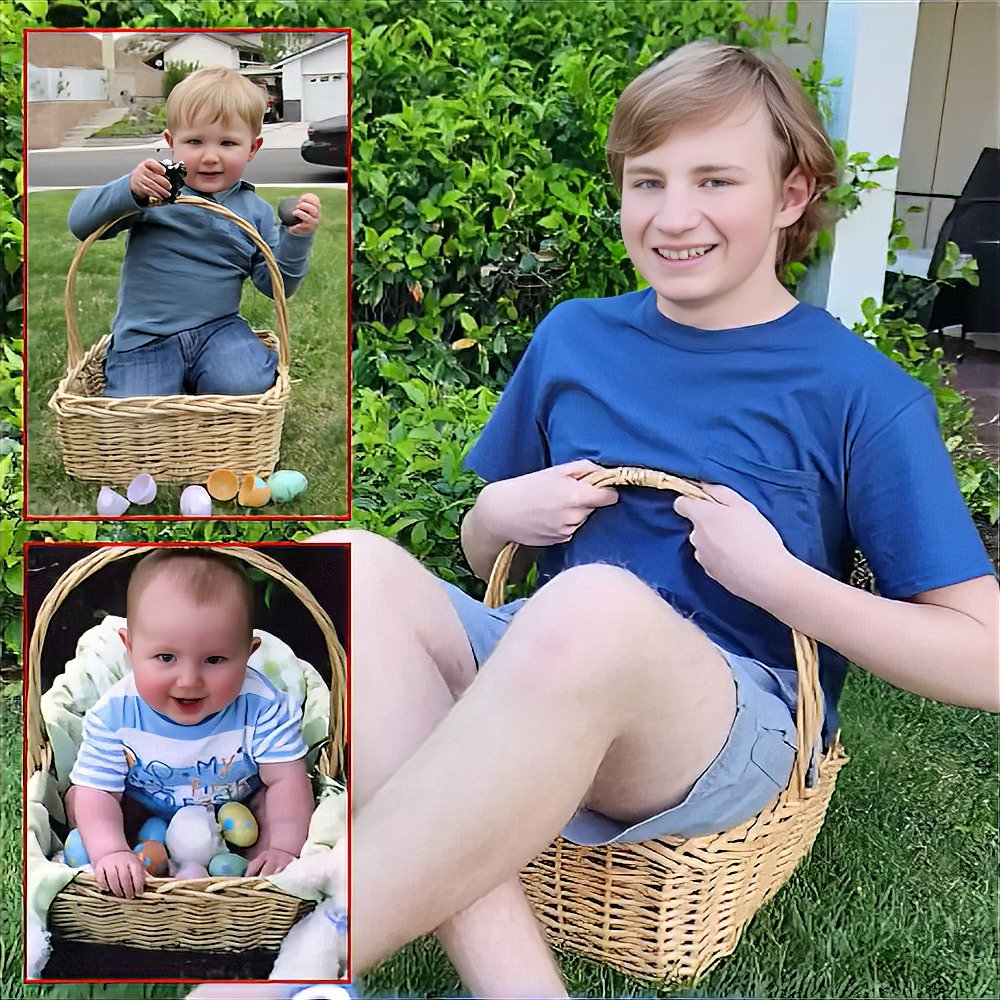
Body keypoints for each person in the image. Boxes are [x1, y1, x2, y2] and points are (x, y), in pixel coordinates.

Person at [199, 38, 998, 1000]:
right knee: (345, 562)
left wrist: (780, 580)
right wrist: (501, 510)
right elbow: (480, 549)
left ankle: (286, 964)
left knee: (592, 605)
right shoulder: (576, 335)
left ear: (791, 196)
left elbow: (983, 659)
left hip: (720, 722)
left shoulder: (863, 394)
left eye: (715, 180)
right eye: (647, 180)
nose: (673, 215)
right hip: (548, 656)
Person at [66, 549, 314, 899]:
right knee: (86, 800)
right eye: (166, 657)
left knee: (278, 804)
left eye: (215, 659)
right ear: (130, 648)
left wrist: (286, 847)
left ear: (248, 651)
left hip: (235, 808)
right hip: (143, 806)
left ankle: (253, 870)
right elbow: (101, 792)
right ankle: (130, 855)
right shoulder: (114, 715)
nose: (189, 680)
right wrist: (112, 851)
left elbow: (286, 779)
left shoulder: (263, 706)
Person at [68, 67, 321, 397]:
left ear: (252, 149)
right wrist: (128, 190)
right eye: (195, 142)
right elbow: (80, 223)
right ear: (171, 143)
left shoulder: (254, 212)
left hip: (218, 331)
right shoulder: (154, 191)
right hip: (145, 338)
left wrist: (298, 237)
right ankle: (174, 387)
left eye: (228, 142)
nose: (210, 156)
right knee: (139, 410)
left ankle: (210, 381)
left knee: (246, 385)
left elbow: (277, 286)